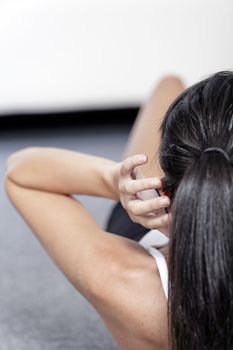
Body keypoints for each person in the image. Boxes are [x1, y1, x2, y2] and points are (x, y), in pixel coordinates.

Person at [5, 70, 233, 350]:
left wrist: (112, 180)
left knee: (169, 85)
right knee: (169, 83)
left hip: (147, 236)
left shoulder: (128, 282)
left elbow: (20, 173)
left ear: (167, 197)